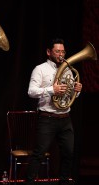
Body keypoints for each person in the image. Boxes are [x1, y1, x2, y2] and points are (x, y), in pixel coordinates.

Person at [26, 38, 82, 185]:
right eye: (57, 51)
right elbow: (31, 92)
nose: (61, 54)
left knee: (68, 153)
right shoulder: (40, 69)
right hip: (47, 118)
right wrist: (52, 90)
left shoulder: (68, 69)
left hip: (65, 118)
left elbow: (70, 94)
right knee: (39, 154)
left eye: (63, 51)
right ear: (49, 52)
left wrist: (76, 90)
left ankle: (63, 181)